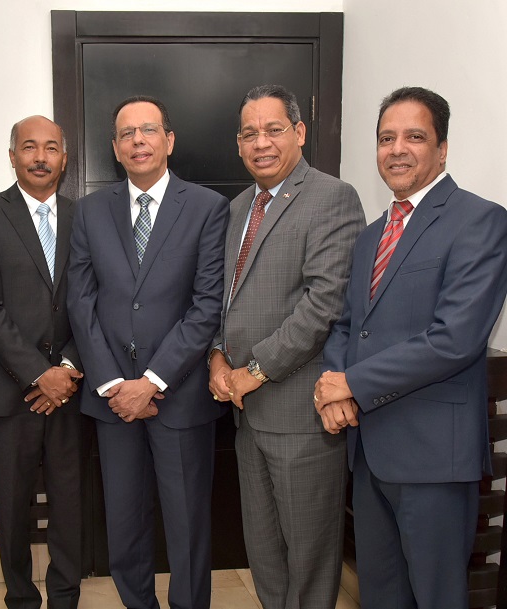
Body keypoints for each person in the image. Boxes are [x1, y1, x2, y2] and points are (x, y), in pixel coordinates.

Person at [316, 86, 507, 609]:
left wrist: (351, 383)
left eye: (414, 137)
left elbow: (455, 339)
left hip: (433, 457)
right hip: (368, 450)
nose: (396, 149)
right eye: (386, 138)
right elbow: (347, 325)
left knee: (436, 597)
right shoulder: (371, 235)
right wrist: (333, 390)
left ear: (442, 148)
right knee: (381, 595)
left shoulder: (480, 220)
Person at [68, 95, 229, 609]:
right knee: (124, 522)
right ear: (115, 149)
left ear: (169, 140)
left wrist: (153, 380)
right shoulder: (90, 211)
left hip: (178, 397)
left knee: (187, 526)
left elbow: (207, 305)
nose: (138, 140)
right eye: (127, 134)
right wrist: (114, 383)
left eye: (149, 130)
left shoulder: (207, 207)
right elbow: (81, 301)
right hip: (112, 400)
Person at [208, 85, 365, 609]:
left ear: (299, 133)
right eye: (249, 133)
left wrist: (254, 370)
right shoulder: (237, 208)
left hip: (300, 412)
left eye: (274, 130)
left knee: (309, 556)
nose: (261, 143)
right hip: (246, 413)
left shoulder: (331, 197)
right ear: (238, 144)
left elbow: (324, 304)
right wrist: (216, 356)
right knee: (264, 551)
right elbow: (225, 299)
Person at [0, 115, 84, 609]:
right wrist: (38, 373)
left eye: (51, 148)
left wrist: (66, 369)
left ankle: (66, 597)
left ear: (64, 159)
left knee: (70, 504)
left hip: (70, 392)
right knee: (12, 508)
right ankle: (21, 598)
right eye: (29, 147)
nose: (40, 157)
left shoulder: (82, 217)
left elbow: (94, 301)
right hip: (8, 393)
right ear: (12, 156)